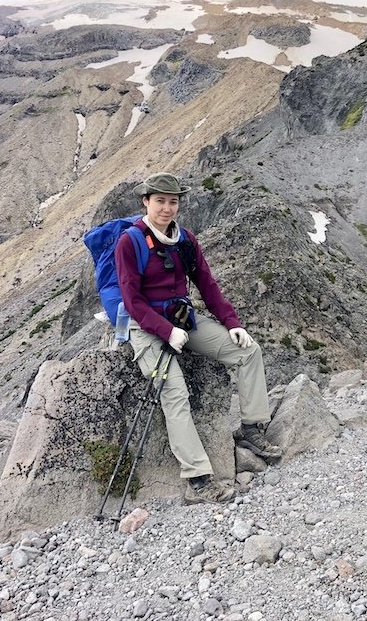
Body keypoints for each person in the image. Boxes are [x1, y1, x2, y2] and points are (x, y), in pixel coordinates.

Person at [115, 172, 282, 505]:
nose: (166, 208)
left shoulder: (185, 240)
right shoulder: (129, 243)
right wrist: (165, 332)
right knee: (175, 393)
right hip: (146, 327)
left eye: (172, 201)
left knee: (248, 352)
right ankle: (197, 478)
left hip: (183, 321)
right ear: (146, 202)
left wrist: (232, 322)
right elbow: (132, 302)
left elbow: (207, 285)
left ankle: (251, 430)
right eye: (159, 200)